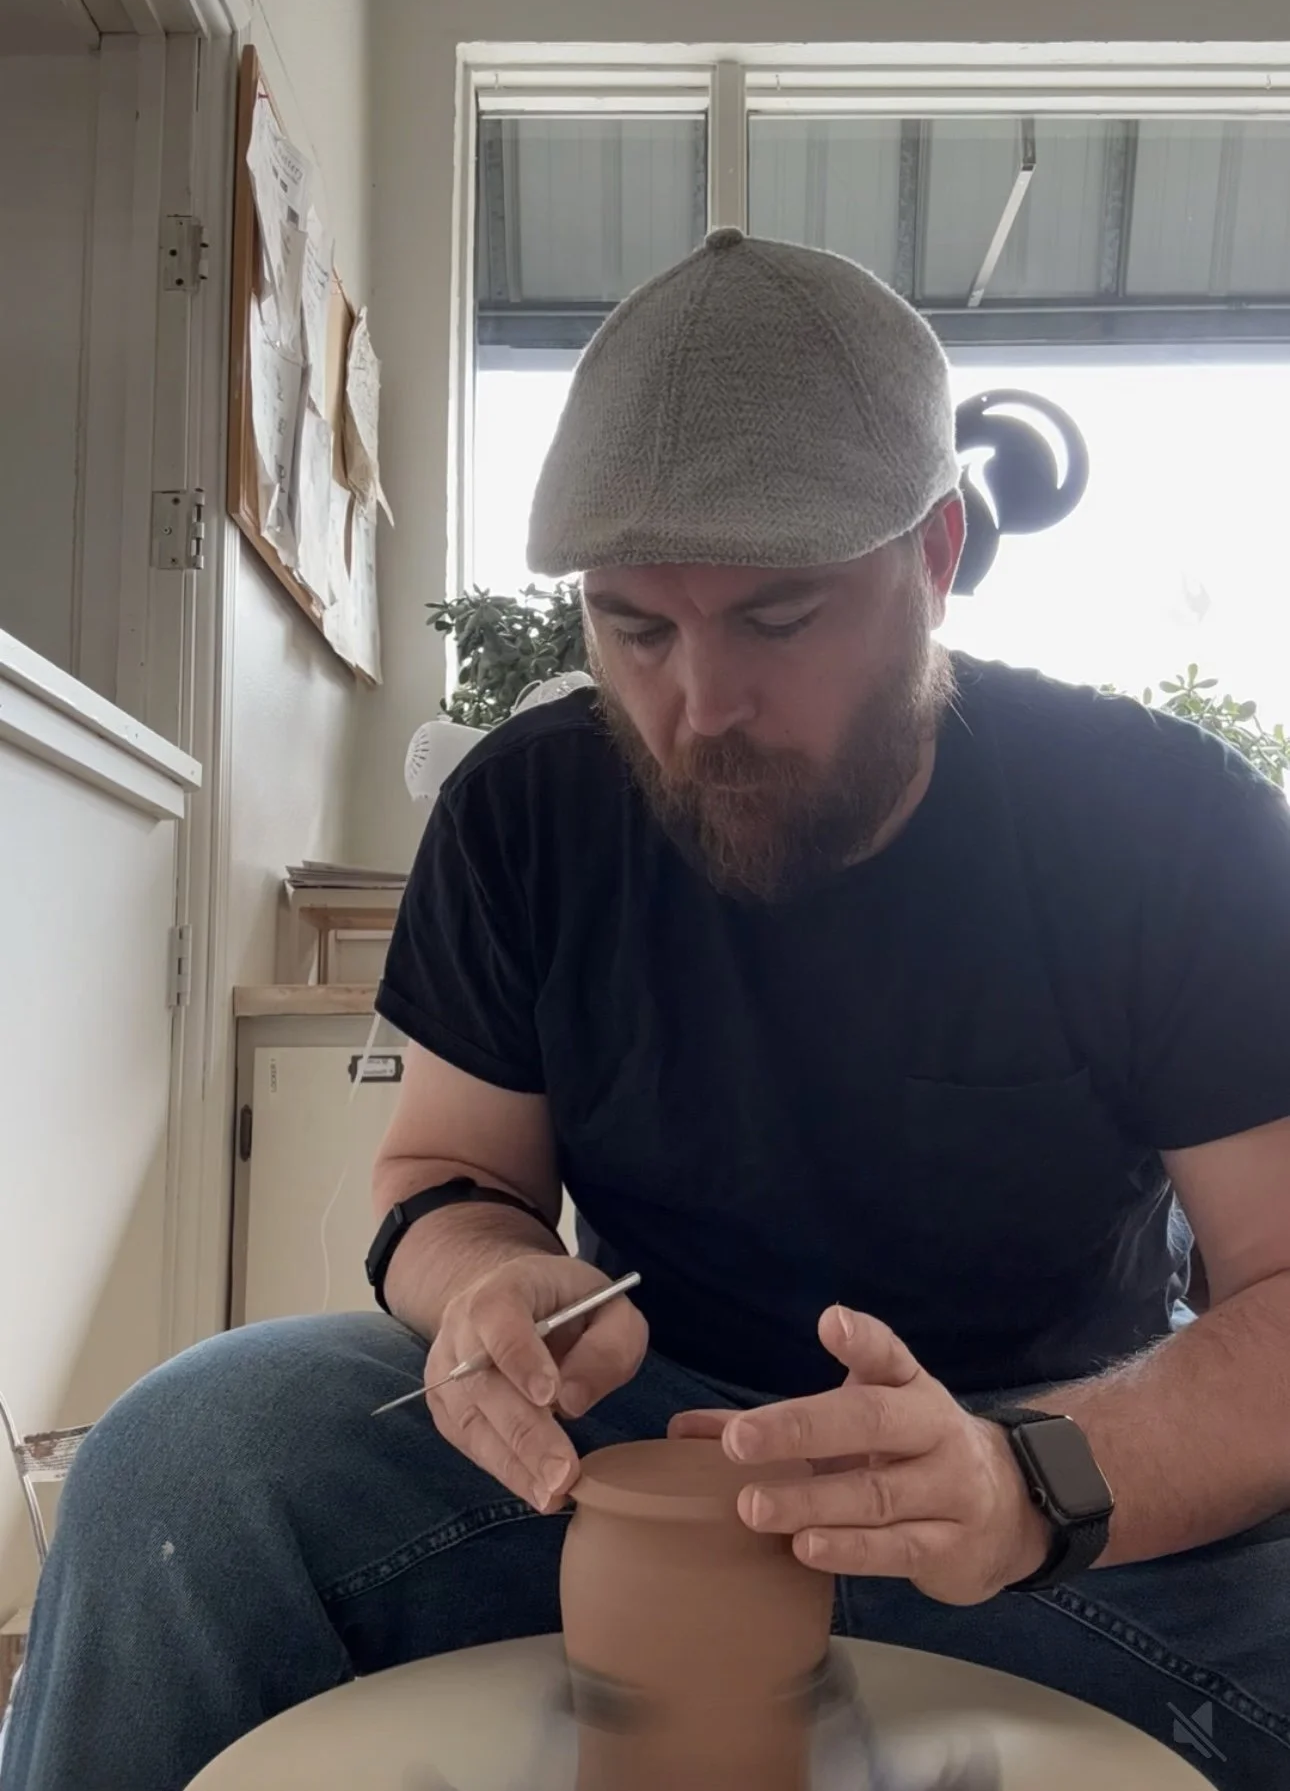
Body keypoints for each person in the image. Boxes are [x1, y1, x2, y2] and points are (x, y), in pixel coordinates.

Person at [4, 231, 1290, 1791]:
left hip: (1044, 1480)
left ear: (937, 553)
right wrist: (490, 1287)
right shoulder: (526, 815)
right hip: (642, 1466)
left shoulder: (1161, 826)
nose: (698, 707)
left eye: (776, 620)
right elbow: (441, 1177)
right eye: (633, 627)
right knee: (189, 1456)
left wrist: (1025, 1480)